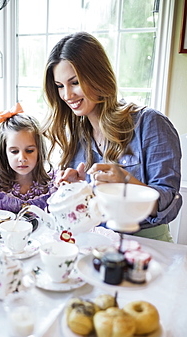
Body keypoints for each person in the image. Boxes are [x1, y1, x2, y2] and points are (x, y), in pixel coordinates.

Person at [42, 31, 182, 242]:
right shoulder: (76, 135)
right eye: (60, 86)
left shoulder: (150, 123)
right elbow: (90, 212)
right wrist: (79, 189)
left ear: (97, 76)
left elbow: (169, 204)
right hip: (97, 244)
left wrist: (126, 181)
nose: (67, 95)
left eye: (75, 82)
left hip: (149, 246)